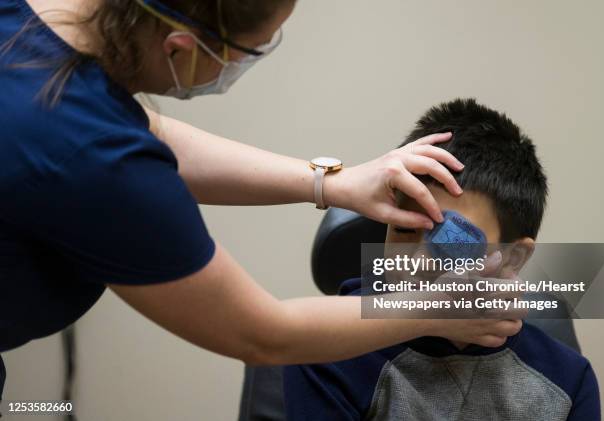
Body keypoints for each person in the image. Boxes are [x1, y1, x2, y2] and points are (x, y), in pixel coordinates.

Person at [0, 0, 522, 401]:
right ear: (180, 47)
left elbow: (145, 133)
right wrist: (432, 308)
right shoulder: (93, 160)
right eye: (255, 49)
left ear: (519, 255)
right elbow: (262, 334)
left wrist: (329, 181)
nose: (428, 259)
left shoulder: (40, 25)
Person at [283, 99, 600, 421]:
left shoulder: (568, 383)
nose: (418, 261)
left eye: (453, 240)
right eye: (404, 229)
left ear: (513, 257)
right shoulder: (326, 351)